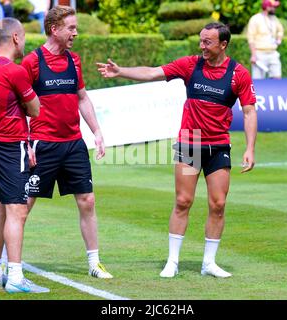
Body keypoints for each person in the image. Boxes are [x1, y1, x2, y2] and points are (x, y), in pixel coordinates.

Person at [97, 22, 258, 278]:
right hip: (190, 140)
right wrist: (120, 72)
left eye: (208, 42)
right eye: (201, 40)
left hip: (218, 144)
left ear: (223, 44)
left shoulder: (239, 74)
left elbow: (249, 112)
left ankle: (208, 264)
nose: (202, 46)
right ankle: (172, 262)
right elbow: (152, 72)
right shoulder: (190, 64)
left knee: (218, 204)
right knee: (183, 201)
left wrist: (250, 148)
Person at [21, 5, 113, 279]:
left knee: (88, 200)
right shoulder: (32, 62)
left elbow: (82, 98)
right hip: (43, 145)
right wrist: (26, 141)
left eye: (75, 27)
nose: (76, 32)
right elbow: (19, 105)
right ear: (54, 29)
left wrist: (96, 131)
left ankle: (94, 263)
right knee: (23, 206)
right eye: (71, 28)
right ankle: (7, 263)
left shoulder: (74, 61)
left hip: (74, 144)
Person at [0, 17, 49, 293]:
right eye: (23, 36)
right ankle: (16, 278)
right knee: (17, 210)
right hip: (10, 145)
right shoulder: (15, 71)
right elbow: (35, 109)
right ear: (16, 38)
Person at [247, 0, 284, 79]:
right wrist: (253, 55)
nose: (275, 9)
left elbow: (280, 30)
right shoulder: (255, 19)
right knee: (258, 81)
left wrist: (279, 39)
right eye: (273, 7)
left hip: (273, 53)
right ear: (267, 7)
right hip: (259, 54)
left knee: (277, 78)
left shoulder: (274, 19)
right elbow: (251, 38)